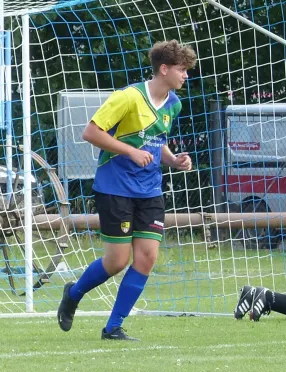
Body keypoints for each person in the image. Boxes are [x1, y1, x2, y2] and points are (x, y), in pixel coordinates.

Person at [57, 40, 197, 340]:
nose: (185, 76)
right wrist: (130, 152)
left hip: (149, 190)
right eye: (182, 70)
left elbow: (156, 142)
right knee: (117, 261)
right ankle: (74, 293)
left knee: (146, 257)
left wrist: (173, 160)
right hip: (115, 187)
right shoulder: (128, 97)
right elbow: (90, 132)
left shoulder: (174, 103)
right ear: (164, 69)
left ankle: (113, 327)